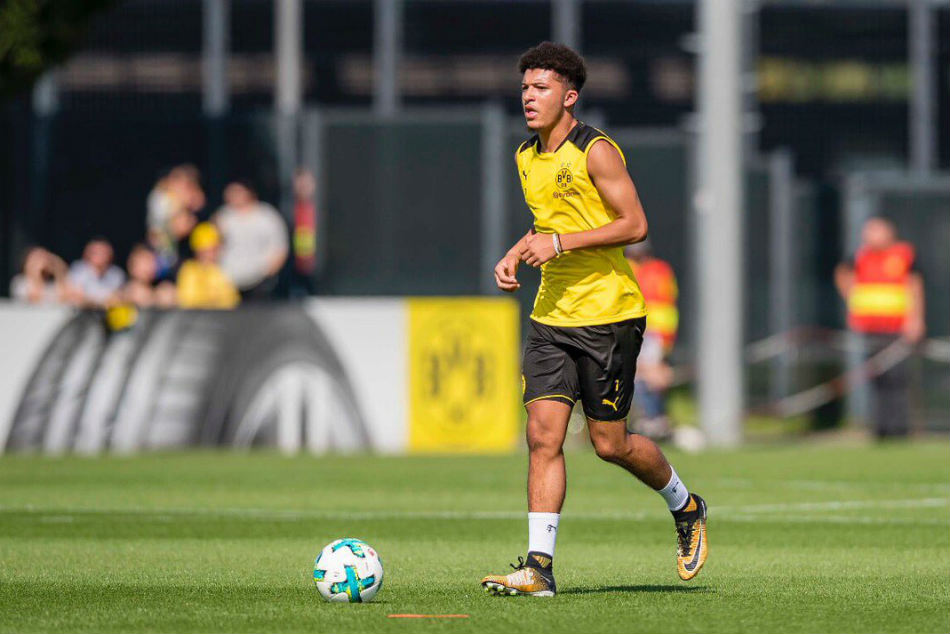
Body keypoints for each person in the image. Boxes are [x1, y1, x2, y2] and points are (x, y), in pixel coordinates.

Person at [481, 42, 707, 597]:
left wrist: (560, 243)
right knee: (543, 435)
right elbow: (546, 224)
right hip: (550, 317)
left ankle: (686, 505)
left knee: (611, 445)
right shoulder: (525, 155)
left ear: (569, 97)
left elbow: (635, 225)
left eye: (541, 88)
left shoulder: (596, 151)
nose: (529, 97)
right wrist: (517, 251)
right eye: (525, 88)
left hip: (609, 316)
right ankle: (539, 568)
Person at [834, 216, 925, 438]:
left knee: (897, 378)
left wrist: (915, 319)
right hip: (870, 328)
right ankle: (881, 429)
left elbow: (914, 286)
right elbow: (842, 274)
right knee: (877, 378)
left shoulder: (903, 255)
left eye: (875, 230)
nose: (869, 235)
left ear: (889, 232)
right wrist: (852, 299)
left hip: (897, 328)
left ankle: (899, 429)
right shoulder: (860, 257)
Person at [625, 241, 678, 441]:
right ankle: (654, 417)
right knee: (649, 374)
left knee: (647, 374)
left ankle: (653, 418)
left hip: (648, 329)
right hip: (658, 330)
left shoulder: (639, 269)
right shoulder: (661, 268)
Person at [213, 181, 288, 301]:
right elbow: (211, 245)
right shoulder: (223, 216)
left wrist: (269, 273)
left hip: (259, 280)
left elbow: (279, 246)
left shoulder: (266, 216)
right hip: (227, 281)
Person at [176, 222, 240, 309]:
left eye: (213, 250)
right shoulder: (189, 270)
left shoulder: (222, 270)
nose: (210, 255)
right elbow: (187, 300)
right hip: (195, 316)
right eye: (206, 251)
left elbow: (231, 300)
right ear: (197, 251)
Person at [65, 238, 126, 307]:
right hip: (82, 311)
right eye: (95, 252)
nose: (100, 256)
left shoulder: (117, 273)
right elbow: (74, 296)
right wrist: (101, 301)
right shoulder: (78, 269)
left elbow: (118, 298)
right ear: (87, 253)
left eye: (103, 252)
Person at [291, 168, 319, 296]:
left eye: (306, 184)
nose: (303, 188)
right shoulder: (289, 209)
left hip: (317, 268)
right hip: (295, 268)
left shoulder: (321, 210)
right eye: (300, 184)